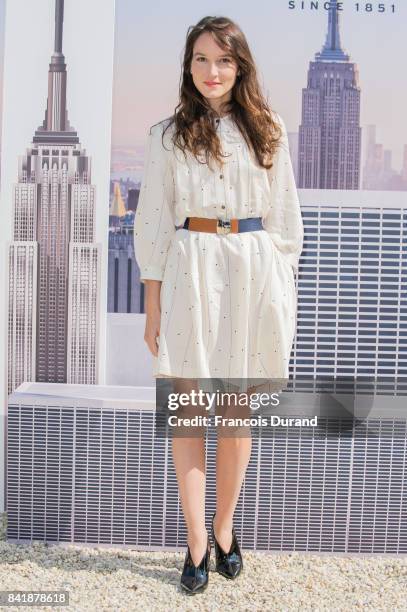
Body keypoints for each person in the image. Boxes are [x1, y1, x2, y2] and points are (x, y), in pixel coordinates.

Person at [134, 15, 304, 594]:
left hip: (254, 276)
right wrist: (152, 306)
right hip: (189, 270)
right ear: (188, 65)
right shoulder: (166, 135)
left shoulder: (270, 130)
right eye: (201, 59)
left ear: (241, 65)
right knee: (189, 416)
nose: (212, 71)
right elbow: (153, 224)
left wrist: (279, 288)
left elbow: (285, 221)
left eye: (224, 60)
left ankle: (226, 529)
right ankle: (195, 542)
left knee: (234, 417)